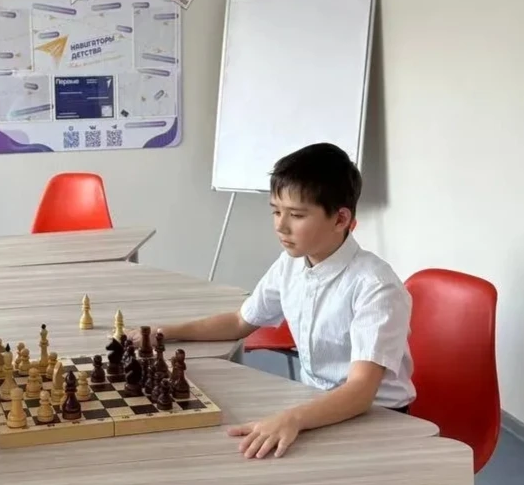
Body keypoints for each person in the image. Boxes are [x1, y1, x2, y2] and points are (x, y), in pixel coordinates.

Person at [132, 142, 414, 460]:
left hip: (378, 418)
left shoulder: (375, 286)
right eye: (276, 211)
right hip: (316, 406)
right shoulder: (291, 263)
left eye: (296, 215)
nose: (280, 226)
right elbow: (240, 321)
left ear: (340, 219)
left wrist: (292, 418)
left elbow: (360, 392)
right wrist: (165, 332)